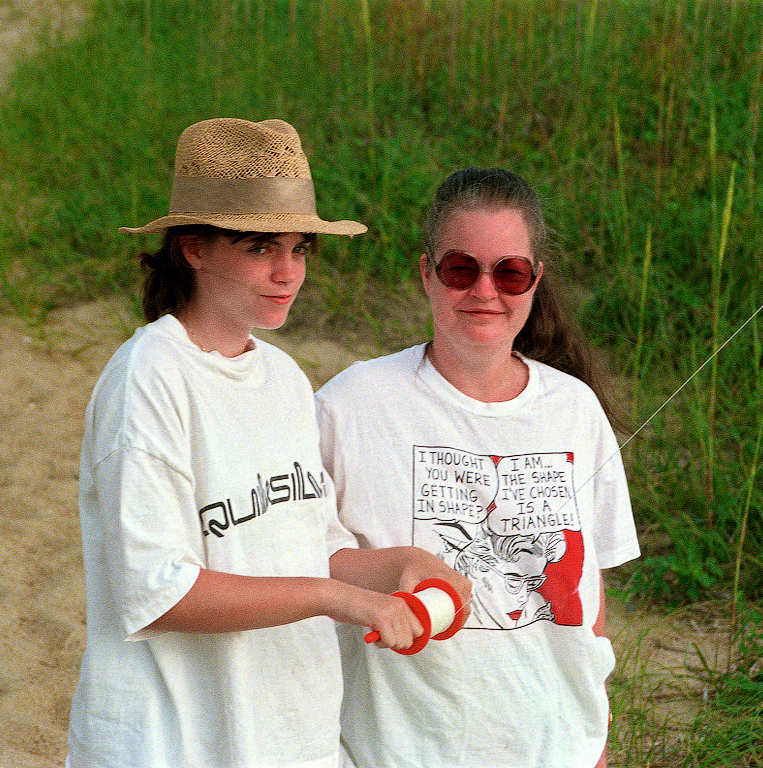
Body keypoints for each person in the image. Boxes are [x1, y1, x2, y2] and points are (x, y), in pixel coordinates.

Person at [66, 118, 470, 768]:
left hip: (290, 734)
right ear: (193, 248)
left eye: (300, 248)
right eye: (259, 247)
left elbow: (309, 545)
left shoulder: (282, 376)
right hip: (177, 742)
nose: (287, 272)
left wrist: (393, 566)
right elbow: (159, 591)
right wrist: (335, 598)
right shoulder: (150, 377)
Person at [316, 167, 640, 768]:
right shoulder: (349, 403)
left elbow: (590, 594)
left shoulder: (575, 408)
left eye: (509, 272)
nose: (485, 291)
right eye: (461, 269)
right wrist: (395, 568)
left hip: (556, 748)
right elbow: (304, 561)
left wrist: (592, 734)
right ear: (426, 274)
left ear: (535, 280)